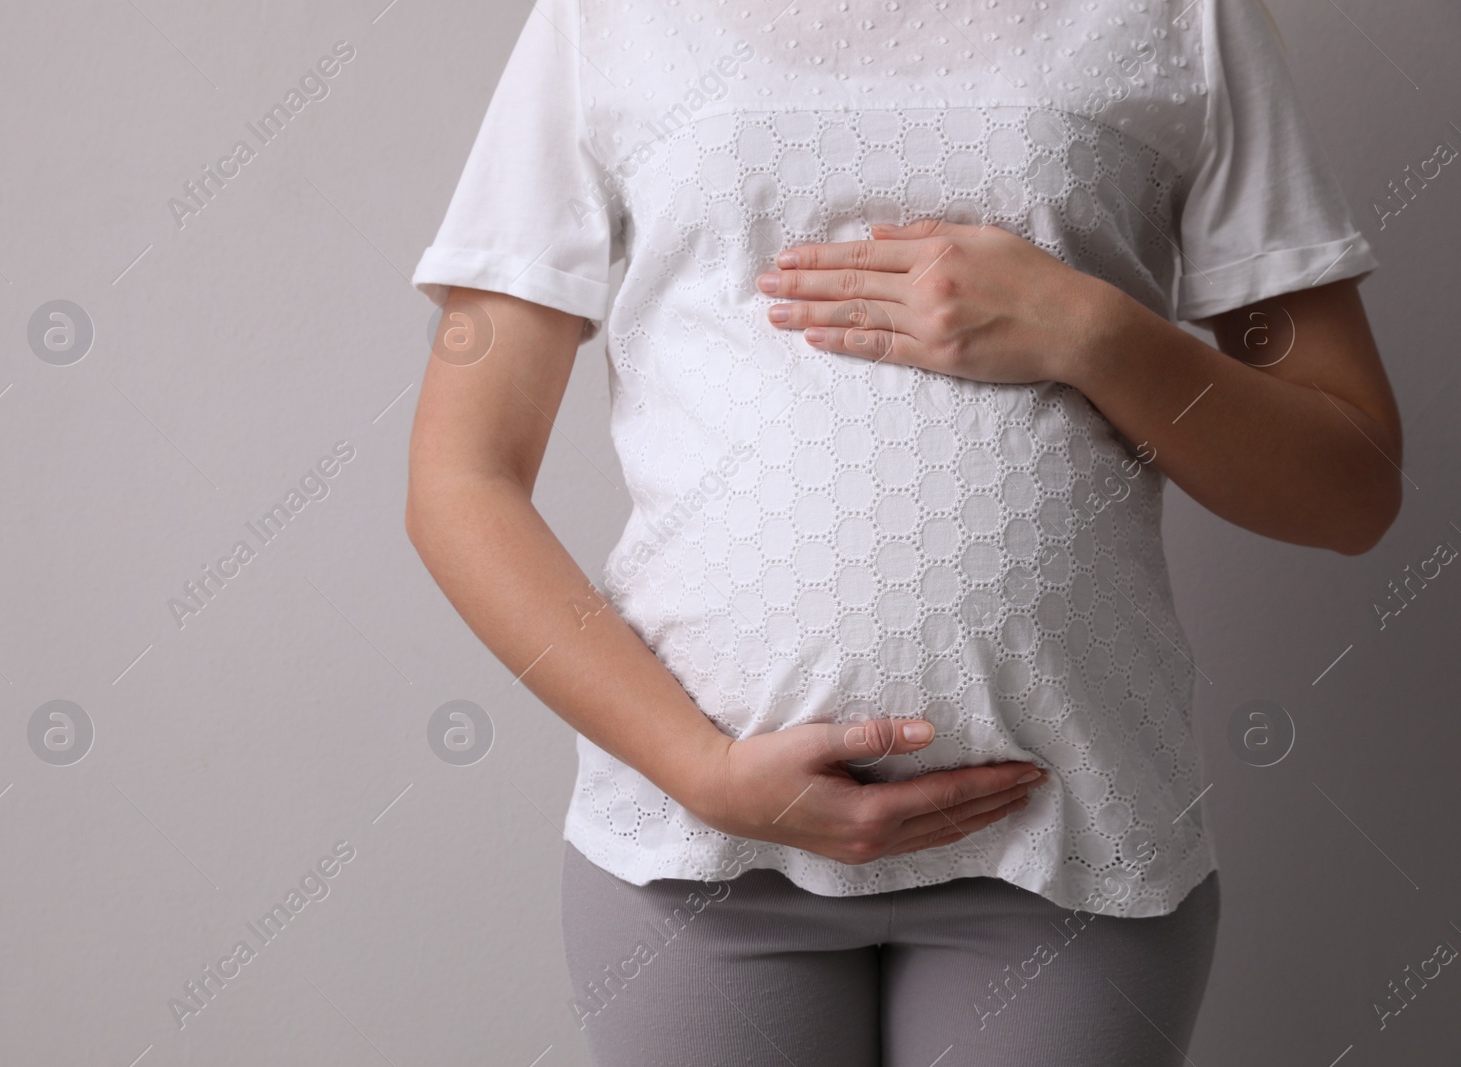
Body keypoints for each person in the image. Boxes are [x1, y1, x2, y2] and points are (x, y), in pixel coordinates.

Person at [406, 0, 1401, 1062]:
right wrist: (697, 770)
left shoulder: (1181, 16)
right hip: (701, 856)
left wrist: (1096, 333)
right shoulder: (604, 18)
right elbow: (460, 477)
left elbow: (1349, 488)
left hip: (1071, 840)